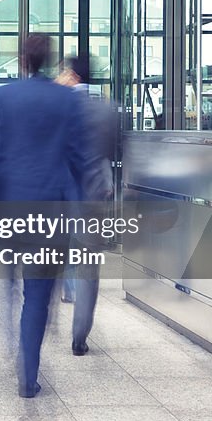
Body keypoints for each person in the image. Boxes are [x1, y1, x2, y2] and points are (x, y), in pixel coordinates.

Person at [0, 35, 97, 398]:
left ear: (23, 60)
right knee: (37, 294)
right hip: (49, 211)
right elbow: (78, 159)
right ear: (49, 62)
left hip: (7, 208)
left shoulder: (3, 96)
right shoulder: (65, 100)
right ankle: (28, 370)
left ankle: (9, 342)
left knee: (7, 283)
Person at [55, 56, 120, 356]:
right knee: (89, 265)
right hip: (94, 195)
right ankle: (79, 336)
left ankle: (50, 311)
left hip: (59, 195)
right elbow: (113, 152)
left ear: (71, 75)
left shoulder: (58, 107)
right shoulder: (106, 110)